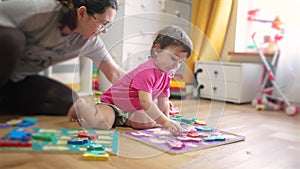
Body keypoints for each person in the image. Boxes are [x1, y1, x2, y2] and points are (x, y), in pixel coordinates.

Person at [0, 0, 124, 115]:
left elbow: (114, 73)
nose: (104, 31)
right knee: (11, 39)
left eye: (108, 26)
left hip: (15, 81)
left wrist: (140, 92)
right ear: (82, 13)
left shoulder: (89, 41)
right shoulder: (38, 10)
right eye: (102, 24)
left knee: (71, 101)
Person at [71, 25, 193, 135]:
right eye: (173, 58)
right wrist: (165, 122)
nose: (175, 65)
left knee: (147, 120)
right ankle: (82, 107)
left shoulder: (166, 75)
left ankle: (126, 121)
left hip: (133, 110)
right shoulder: (146, 72)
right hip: (113, 104)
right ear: (157, 50)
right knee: (103, 123)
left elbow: (164, 100)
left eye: (180, 62)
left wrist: (167, 121)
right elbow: (146, 103)